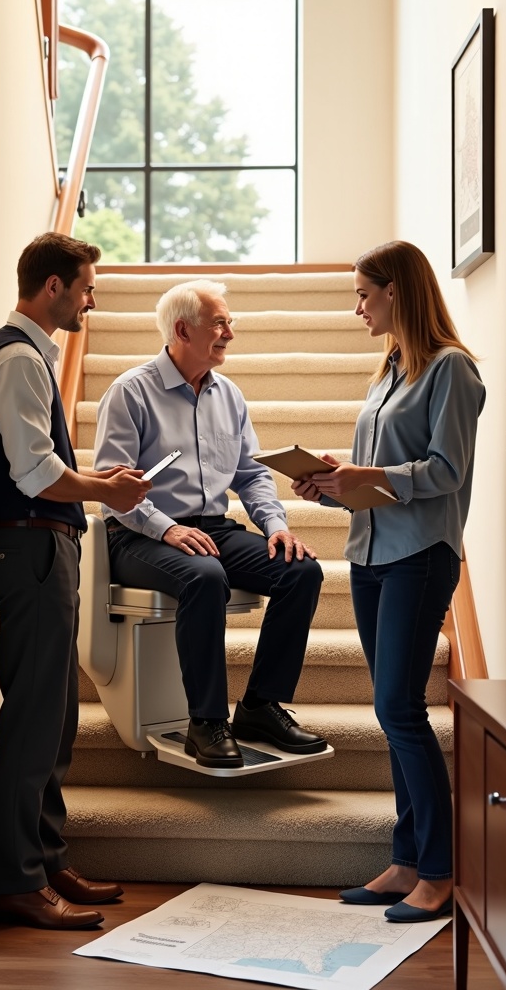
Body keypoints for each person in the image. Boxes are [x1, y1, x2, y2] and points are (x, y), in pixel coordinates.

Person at [293, 240, 485, 924]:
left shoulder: (452, 369)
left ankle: (439, 871)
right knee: (390, 709)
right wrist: (333, 482)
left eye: (363, 295)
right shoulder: (390, 369)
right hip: (371, 556)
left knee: (401, 710)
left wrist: (366, 475)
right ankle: (406, 861)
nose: (357, 309)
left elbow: (446, 472)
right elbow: (379, 478)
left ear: (396, 291)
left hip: (421, 557)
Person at [0, 232, 151, 930]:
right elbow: (35, 474)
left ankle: (44, 861)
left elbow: (42, 468)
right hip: (30, 548)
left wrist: (99, 483)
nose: (90, 302)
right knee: (32, 719)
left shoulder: (33, 357)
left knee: (57, 719)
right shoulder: (18, 359)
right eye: (86, 289)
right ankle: (16, 882)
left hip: (45, 546)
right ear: (53, 287)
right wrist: (106, 490)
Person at [94, 279, 327, 769]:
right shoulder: (130, 392)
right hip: (137, 532)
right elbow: (114, 490)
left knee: (301, 571)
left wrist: (275, 525)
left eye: (229, 323)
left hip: (213, 528)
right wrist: (167, 528)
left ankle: (260, 706)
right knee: (205, 576)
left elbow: (251, 474)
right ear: (183, 330)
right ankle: (206, 722)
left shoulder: (229, 395)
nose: (230, 334)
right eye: (220, 323)